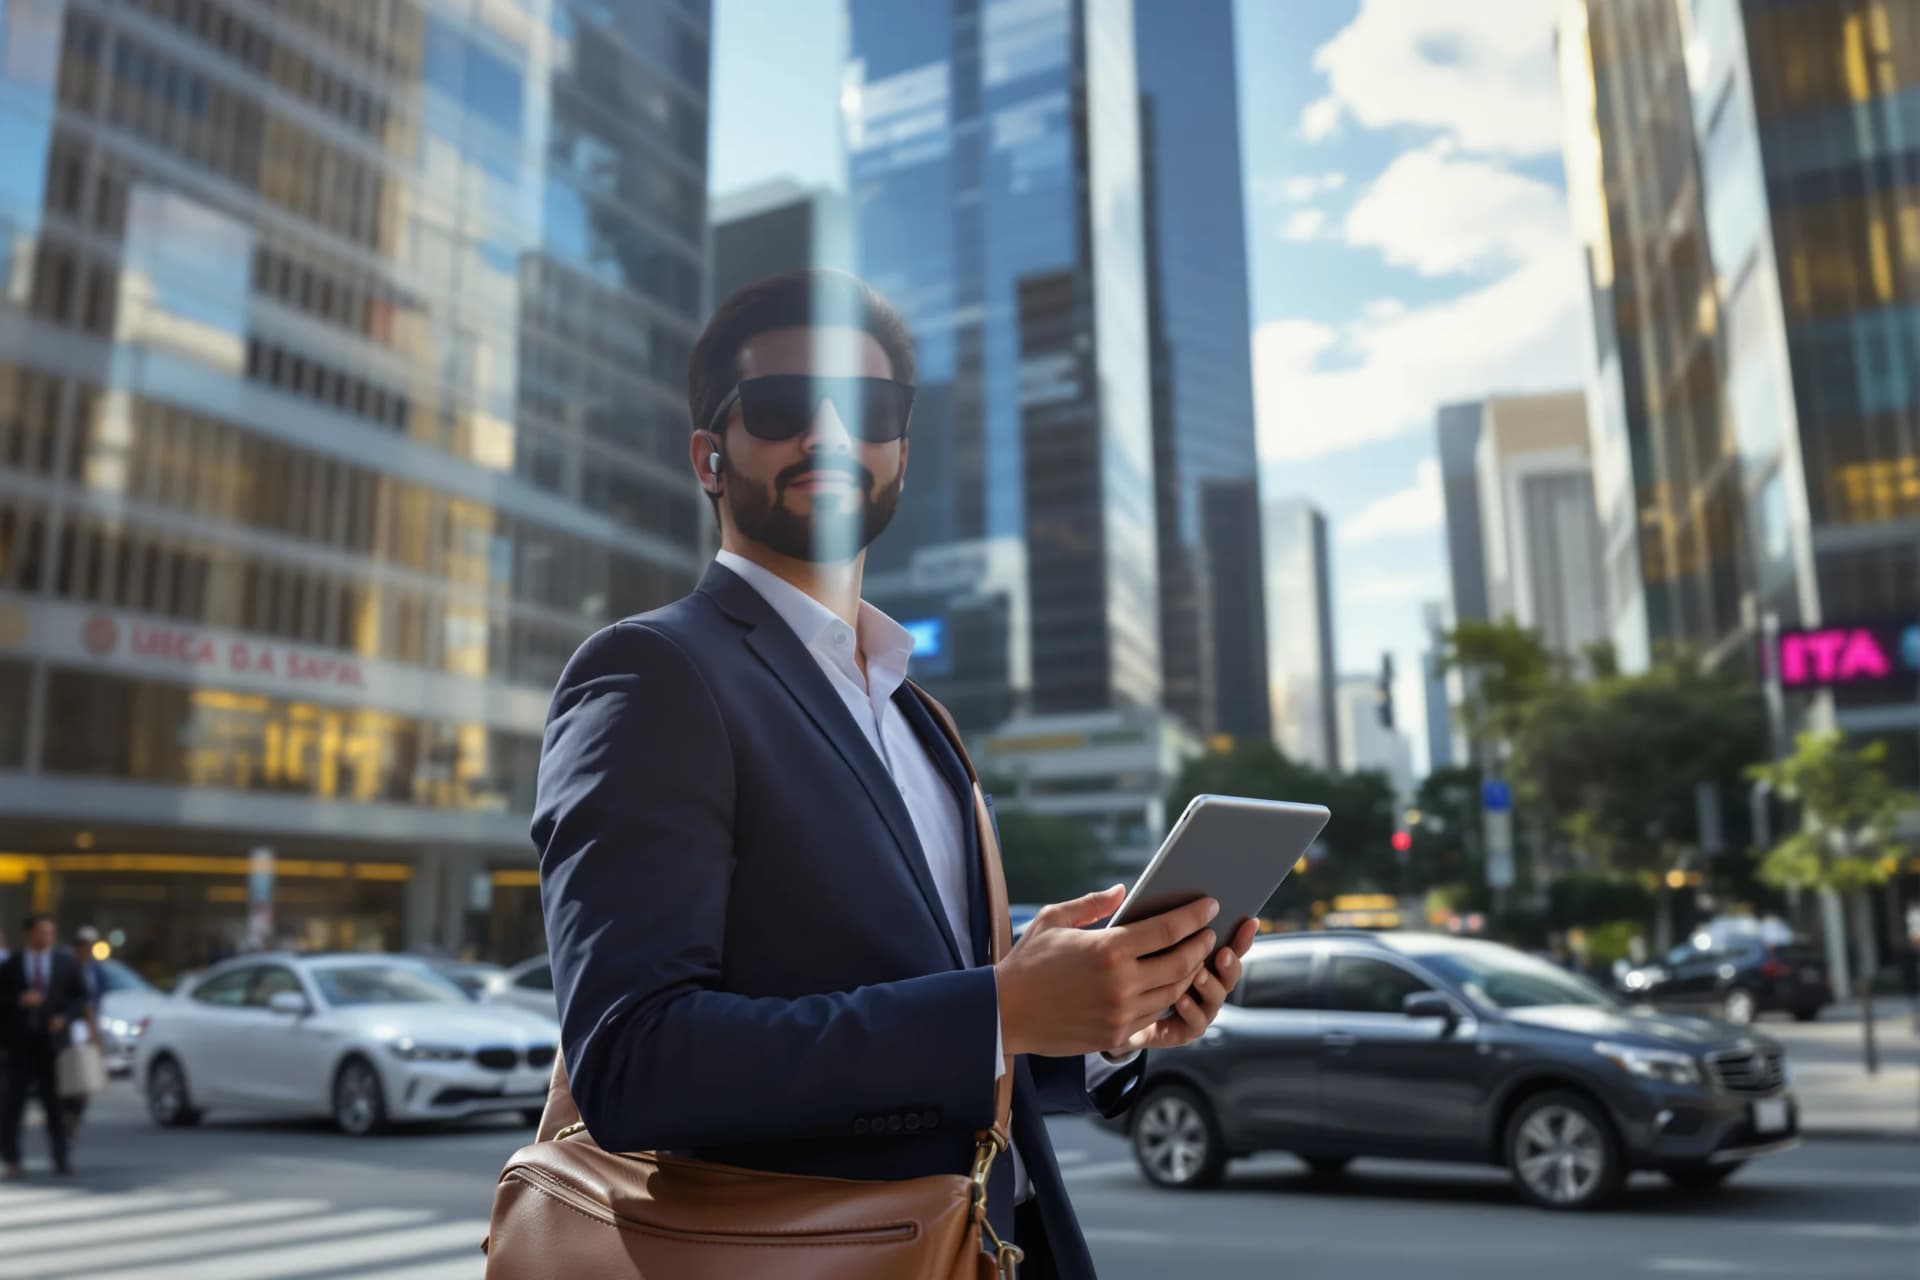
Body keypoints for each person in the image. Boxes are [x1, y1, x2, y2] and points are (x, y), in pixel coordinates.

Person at [535, 269, 1257, 1279]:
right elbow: (635, 1057)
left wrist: (1108, 1015)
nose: (829, 434)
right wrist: (1000, 1005)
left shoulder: (921, 719)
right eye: (785, 405)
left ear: (900, 453)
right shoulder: (653, 672)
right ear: (709, 455)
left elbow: (949, 1050)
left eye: (868, 409)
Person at [1, 913, 91, 1178]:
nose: (45, 937)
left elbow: (82, 997)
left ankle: (61, 1157)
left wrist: (64, 1018)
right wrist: (19, 1000)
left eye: (49, 933)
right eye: (40, 932)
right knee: (12, 1104)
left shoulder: (65, 963)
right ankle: (12, 1159)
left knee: (55, 1104)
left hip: (52, 1045)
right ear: (28, 934)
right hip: (18, 1044)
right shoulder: (11, 965)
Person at [62, 927, 105, 1134]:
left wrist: (95, 1029)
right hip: (72, 1027)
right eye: (82, 946)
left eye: (88, 946)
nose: (85, 950)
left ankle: (74, 1114)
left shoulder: (96, 970)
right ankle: (68, 1112)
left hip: (88, 1028)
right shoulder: (67, 968)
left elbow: (96, 1000)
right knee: (71, 1076)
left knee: (86, 1079)